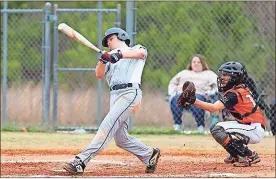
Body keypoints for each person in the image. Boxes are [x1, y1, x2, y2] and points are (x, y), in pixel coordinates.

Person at [63, 27, 160, 175]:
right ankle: (149, 154)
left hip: (130, 93)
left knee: (106, 126)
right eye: (106, 41)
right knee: (121, 139)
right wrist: (102, 61)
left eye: (111, 39)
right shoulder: (109, 57)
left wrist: (118, 55)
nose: (108, 42)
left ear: (122, 36)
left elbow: (140, 54)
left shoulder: (136, 48)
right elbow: (99, 75)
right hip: (115, 96)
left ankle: (81, 161)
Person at [177, 61, 265, 167]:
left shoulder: (234, 94)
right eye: (222, 74)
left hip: (254, 129)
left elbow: (214, 108)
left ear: (235, 77)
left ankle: (243, 155)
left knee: (217, 130)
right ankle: (243, 153)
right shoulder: (239, 88)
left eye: (225, 75)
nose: (222, 78)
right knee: (216, 126)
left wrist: (194, 100)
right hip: (251, 126)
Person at [168, 54, 219, 133]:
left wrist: (210, 93)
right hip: (182, 95)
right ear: (191, 63)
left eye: (198, 62)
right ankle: (177, 125)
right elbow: (172, 83)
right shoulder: (184, 73)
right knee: (175, 98)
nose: (196, 64)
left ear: (203, 64)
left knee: (195, 98)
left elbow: (218, 85)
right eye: (194, 62)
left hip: (199, 94)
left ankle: (200, 126)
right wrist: (172, 93)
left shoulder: (209, 74)